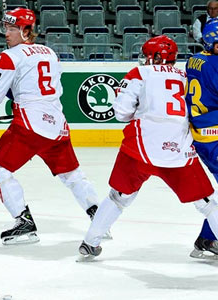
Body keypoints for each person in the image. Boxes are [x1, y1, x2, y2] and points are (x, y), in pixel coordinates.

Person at [78, 35, 218, 260]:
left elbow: (122, 113)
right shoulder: (184, 75)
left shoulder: (139, 73)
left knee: (118, 197)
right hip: (178, 150)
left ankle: (89, 243)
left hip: (140, 149)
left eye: (146, 55)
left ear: (155, 56)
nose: (144, 59)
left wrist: (139, 111)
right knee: (206, 204)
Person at [0, 8, 101, 245]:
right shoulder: (50, 52)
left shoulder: (10, 55)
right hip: (57, 125)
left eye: (12, 28)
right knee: (72, 174)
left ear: (26, 31)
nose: (6, 33)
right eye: (6, 28)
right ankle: (99, 216)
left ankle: (23, 222)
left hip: (29, 124)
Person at [185, 19, 218, 259]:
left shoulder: (194, 59)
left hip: (199, 134)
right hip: (214, 135)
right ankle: (206, 239)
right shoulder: (214, 65)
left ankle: (207, 238)